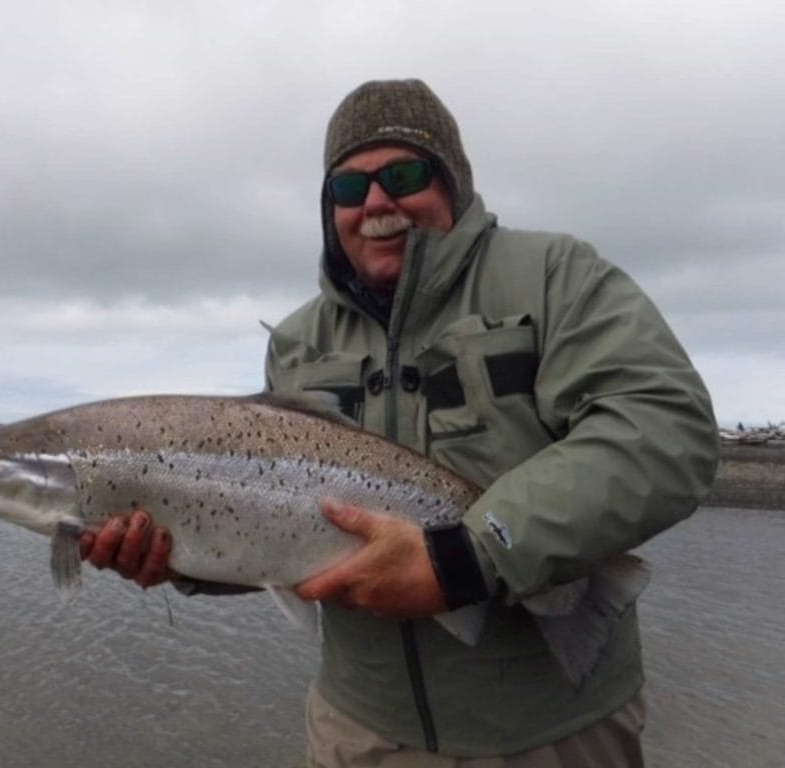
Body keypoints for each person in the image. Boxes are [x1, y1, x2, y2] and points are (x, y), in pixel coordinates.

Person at [79, 79, 720, 766]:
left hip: (555, 734)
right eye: (349, 190)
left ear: (453, 183)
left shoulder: (556, 276)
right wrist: (180, 558)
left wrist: (469, 555)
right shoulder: (297, 341)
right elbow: (274, 530)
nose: (377, 204)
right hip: (358, 732)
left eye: (403, 175)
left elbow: (664, 427)